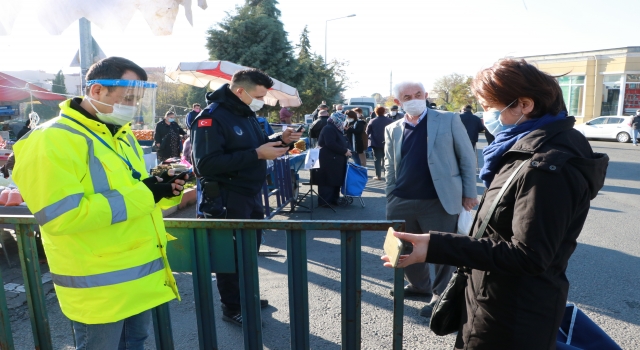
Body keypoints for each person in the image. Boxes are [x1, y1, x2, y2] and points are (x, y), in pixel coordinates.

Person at [382, 59, 609, 350]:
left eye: (489, 105)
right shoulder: (523, 147)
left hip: (512, 314)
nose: (485, 114)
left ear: (524, 104)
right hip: (494, 300)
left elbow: (529, 255)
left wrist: (436, 245)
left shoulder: (548, 164)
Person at [12, 56, 187, 349]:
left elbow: (132, 193)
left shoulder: (122, 134)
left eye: (138, 99)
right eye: (127, 97)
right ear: (96, 91)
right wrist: (147, 194)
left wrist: (161, 188)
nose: (132, 105)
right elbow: (61, 217)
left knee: (135, 342)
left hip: (137, 277)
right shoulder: (51, 140)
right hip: (98, 286)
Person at [191, 68, 302, 326]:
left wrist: (281, 139)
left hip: (250, 194)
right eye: (258, 96)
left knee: (249, 250)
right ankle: (232, 307)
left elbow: (258, 145)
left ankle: (245, 296)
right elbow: (205, 164)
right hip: (227, 197)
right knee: (231, 255)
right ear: (240, 91)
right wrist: (257, 155)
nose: (261, 101)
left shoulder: (245, 113)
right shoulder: (212, 118)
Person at [384, 81, 477, 315]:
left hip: (440, 199)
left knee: (442, 250)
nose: (414, 99)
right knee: (403, 248)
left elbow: (466, 156)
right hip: (402, 199)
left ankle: (442, 294)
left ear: (426, 95)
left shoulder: (448, 119)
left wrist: (469, 193)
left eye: (418, 94)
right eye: (407, 96)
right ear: (398, 102)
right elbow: (390, 165)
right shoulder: (392, 128)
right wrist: (390, 194)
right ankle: (419, 286)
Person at [314, 113, 350, 207]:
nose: (345, 123)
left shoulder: (336, 128)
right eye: (343, 121)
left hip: (335, 159)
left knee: (335, 180)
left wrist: (346, 150)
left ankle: (334, 199)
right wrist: (344, 150)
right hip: (328, 160)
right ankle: (325, 202)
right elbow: (330, 143)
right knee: (327, 181)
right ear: (337, 120)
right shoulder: (328, 128)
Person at [366, 106, 392, 180]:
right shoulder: (389, 120)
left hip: (375, 143)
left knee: (377, 159)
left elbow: (367, 132)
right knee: (386, 159)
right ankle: (387, 175)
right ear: (384, 112)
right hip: (387, 142)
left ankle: (378, 176)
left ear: (375, 112)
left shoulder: (372, 121)